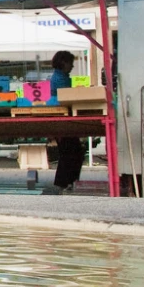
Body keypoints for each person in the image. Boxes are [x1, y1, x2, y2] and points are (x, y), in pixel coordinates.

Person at [47, 50, 86, 193]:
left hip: (62, 118)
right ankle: (66, 181)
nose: (72, 66)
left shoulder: (62, 77)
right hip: (62, 119)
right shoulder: (60, 79)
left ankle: (66, 181)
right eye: (71, 63)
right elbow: (66, 98)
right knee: (71, 151)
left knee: (70, 151)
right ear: (63, 63)